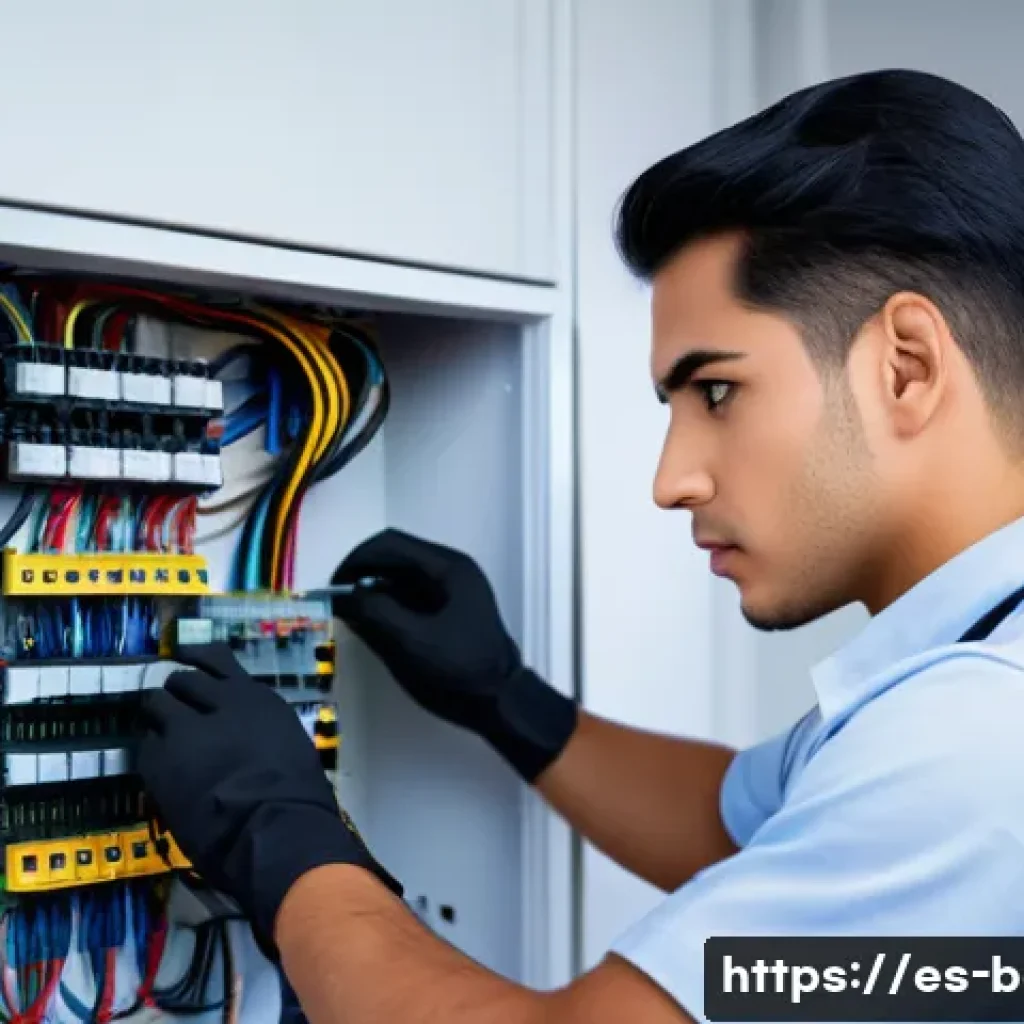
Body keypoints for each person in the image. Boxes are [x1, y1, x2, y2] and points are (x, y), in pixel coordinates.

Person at [137, 66, 1024, 1023]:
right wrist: (506, 699)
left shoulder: (975, 741)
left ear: (907, 366)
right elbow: (734, 832)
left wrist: (285, 839)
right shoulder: (963, 680)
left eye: (717, 391)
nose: (670, 477)